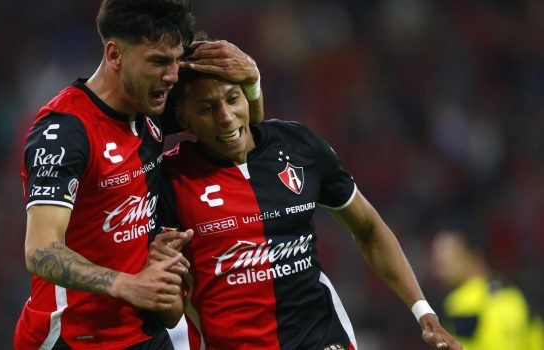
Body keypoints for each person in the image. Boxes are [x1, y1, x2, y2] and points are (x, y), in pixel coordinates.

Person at [150, 68, 462, 349]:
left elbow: (367, 227)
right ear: (183, 118)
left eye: (233, 99)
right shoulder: (169, 178)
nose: (227, 117)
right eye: (207, 108)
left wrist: (422, 309)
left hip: (323, 340)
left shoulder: (299, 147)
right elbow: (170, 308)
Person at [14, 1, 264, 349]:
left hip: (143, 332)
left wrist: (251, 79)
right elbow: (40, 250)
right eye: (159, 62)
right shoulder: (65, 132)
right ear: (115, 55)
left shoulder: (151, 108)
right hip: (73, 337)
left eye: (176, 60)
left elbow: (244, 136)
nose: (172, 75)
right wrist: (124, 283)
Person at [431, 229, 544, 350]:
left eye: (444, 262)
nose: (436, 269)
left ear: (474, 256)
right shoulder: (515, 295)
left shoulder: (461, 301)